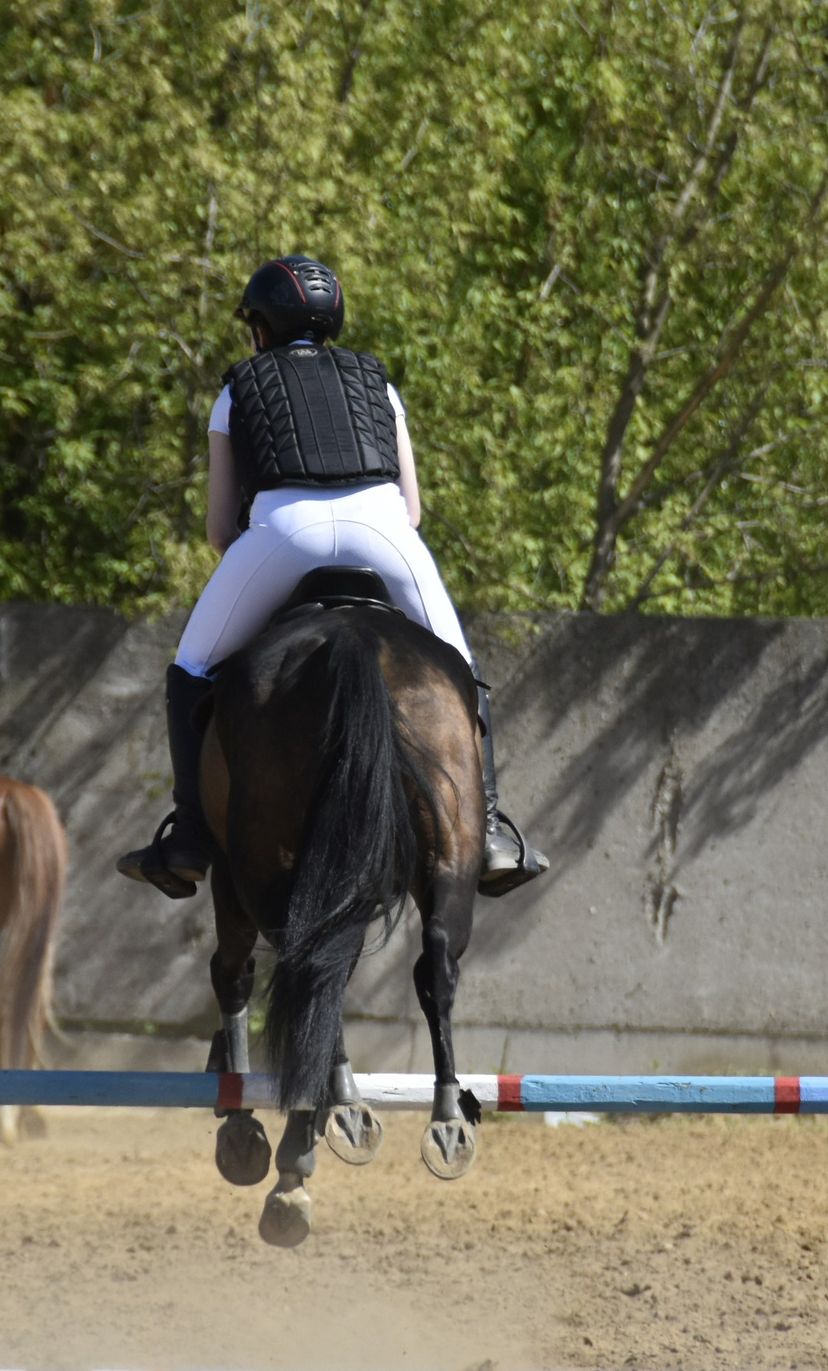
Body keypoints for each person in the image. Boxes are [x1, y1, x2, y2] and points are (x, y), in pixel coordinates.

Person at [115, 255, 546, 902]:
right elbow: (415, 507)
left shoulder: (237, 389)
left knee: (191, 665)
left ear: (260, 326)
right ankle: (487, 830)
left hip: (282, 536)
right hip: (386, 533)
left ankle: (189, 836)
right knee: (459, 662)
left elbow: (216, 528)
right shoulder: (379, 383)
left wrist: (258, 569)